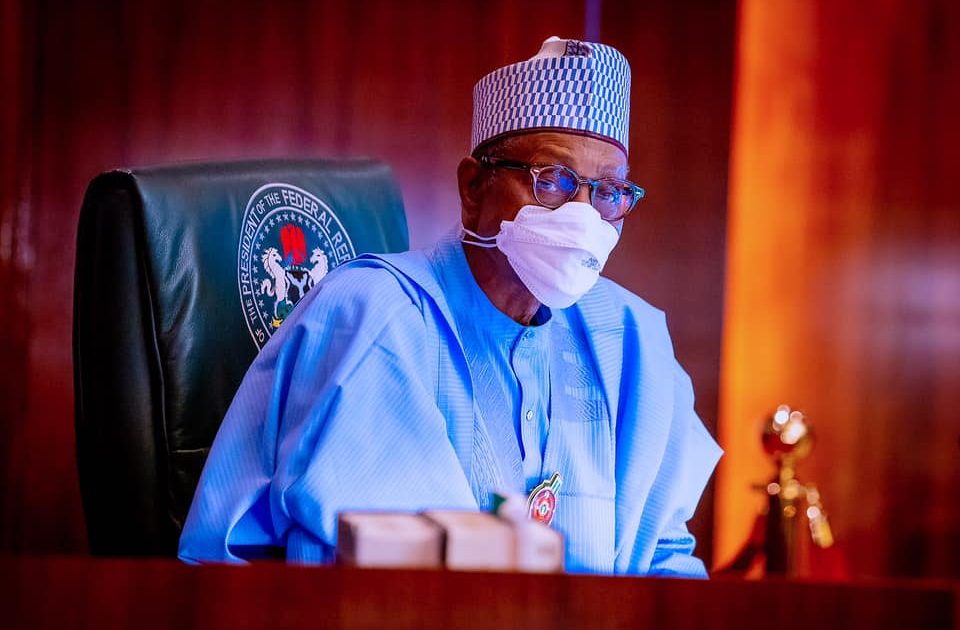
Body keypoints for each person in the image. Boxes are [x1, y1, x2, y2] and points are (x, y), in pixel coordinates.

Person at [179, 36, 721, 576]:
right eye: (553, 180)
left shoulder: (631, 341)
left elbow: (668, 565)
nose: (583, 216)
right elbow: (392, 579)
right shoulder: (377, 318)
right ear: (474, 187)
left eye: (608, 192)